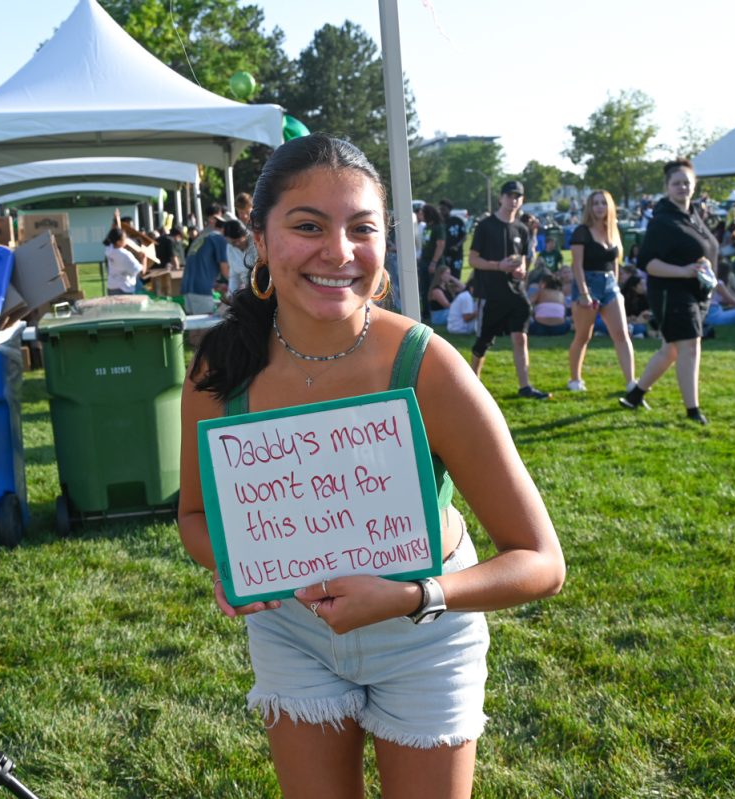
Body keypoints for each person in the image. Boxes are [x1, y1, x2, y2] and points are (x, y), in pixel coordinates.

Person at [177, 135, 565, 798]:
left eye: (362, 228)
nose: (338, 251)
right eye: (307, 226)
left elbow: (541, 559)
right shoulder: (223, 364)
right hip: (291, 634)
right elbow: (191, 515)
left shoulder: (427, 366)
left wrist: (416, 595)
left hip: (424, 632)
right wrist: (235, 563)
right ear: (261, 242)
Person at [619, 158, 717, 425]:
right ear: (667, 187)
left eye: (687, 182)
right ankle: (693, 411)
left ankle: (635, 395)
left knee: (671, 350)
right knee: (690, 347)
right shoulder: (663, 221)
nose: (682, 187)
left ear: (694, 185)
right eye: (677, 183)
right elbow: (648, 263)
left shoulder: (692, 215)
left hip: (696, 293)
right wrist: (685, 271)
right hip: (671, 293)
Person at [467, 180, 551, 399]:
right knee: (483, 342)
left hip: (515, 291)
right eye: (510, 196)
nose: (513, 200)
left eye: (518, 197)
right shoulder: (486, 226)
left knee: (520, 338)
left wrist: (521, 270)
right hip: (490, 293)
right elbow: (473, 259)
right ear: (501, 198)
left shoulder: (522, 229)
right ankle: (471, 386)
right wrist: (498, 266)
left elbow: (522, 260)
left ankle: (525, 386)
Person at [566, 190, 636, 393]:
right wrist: (584, 293)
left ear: (609, 207)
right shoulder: (582, 231)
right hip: (587, 283)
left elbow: (614, 261)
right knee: (583, 336)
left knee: (622, 334)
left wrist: (617, 287)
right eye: (595, 203)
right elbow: (576, 265)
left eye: (603, 203)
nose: (599, 207)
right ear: (590, 207)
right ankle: (575, 379)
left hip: (610, 285)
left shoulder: (613, 230)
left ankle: (631, 382)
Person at [180, 217, 230, 315]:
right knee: (206, 327)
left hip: (187, 287)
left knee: (195, 327)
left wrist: (216, 284)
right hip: (201, 290)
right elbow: (225, 270)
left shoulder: (201, 238)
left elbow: (199, 266)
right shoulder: (219, 239)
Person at [417, 203, 446, 318]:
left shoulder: (438, 227)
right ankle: (426, 313)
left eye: (422, 213)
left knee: (433, 287)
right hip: (424, 261)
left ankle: (435, 312)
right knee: (424, 288)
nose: (420, 215)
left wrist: (434, 262)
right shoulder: (427, 227)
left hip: (434, 263)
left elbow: (440, 245)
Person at [104, 226, 146, 296]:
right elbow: (142, 272)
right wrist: (144, 258)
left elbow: (114, 234)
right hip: (125, 289)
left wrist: (117, 220)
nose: (126, 240)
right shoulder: (125, 255)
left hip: (111, 287)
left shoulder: (109, 250)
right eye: (124, 238)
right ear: (118, 242)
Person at [222, 219, 252, 297]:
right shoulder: (230, 247)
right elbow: (234, 276)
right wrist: (230, 295)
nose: (236, 244)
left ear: (245, 235)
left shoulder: (255, 242)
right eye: (232, 242)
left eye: (237, 240)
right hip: (249, 289)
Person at [439, 200, 468, 279]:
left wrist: (456, 246)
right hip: (443, 254)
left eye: (443, 209)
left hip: (456, 254)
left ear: (449, 209)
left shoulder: (457, 221)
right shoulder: (439, 222)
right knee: (443, 278)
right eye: (440, 209)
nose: (441, 211)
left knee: (455, 276)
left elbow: (464, 236)